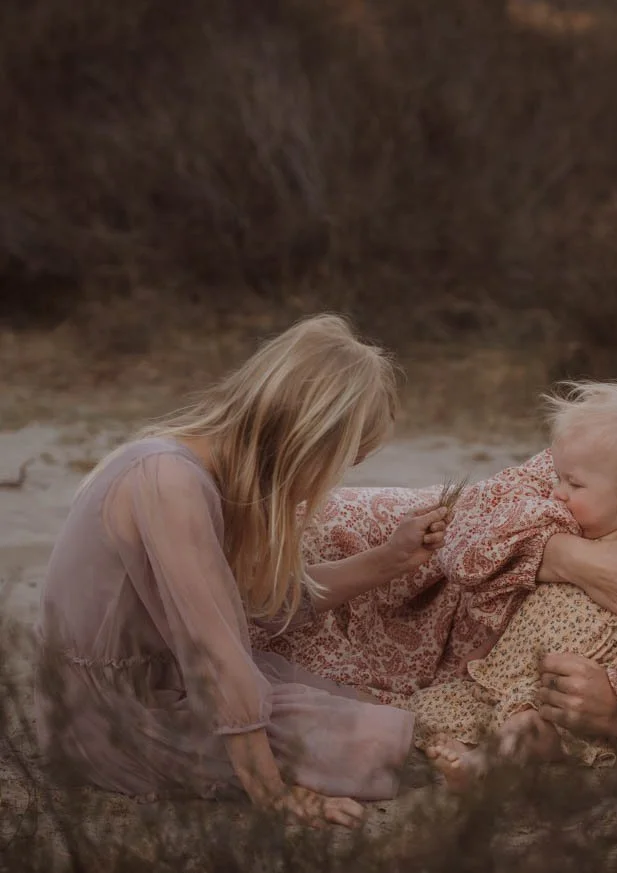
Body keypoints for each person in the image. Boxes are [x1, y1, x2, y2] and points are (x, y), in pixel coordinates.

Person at [262, 286, 617, 754]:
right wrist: (571, 557)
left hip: (488, 675)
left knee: (266, 678)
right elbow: (477, 513)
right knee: (274, 536)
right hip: (422, 573)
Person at [35, 315, 449, 827]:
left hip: (162, 685)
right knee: (356, 735)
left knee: (347, 698)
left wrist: (387, 561)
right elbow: (215, 658)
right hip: (110, 720)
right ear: (308, 440)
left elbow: (256, 613)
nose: (335, 478)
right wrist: (273, 795)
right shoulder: (169, 481)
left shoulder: (201, 474)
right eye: (344, 461)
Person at [407, 382, 617, 788]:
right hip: (509, 679)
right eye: (559, 479)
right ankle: (464, 755)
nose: (557, 493)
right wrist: (487, 653)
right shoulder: (560, 536)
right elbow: (524, 615)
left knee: (528, 726)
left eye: (573, 484)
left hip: (560, 704)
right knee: (442, 705)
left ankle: (482, 765)